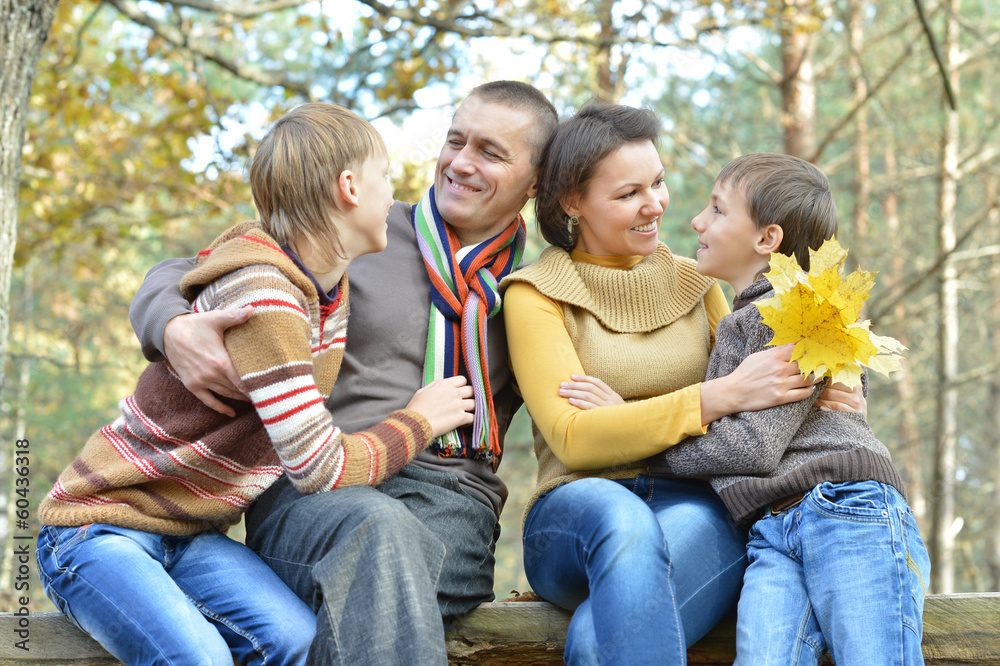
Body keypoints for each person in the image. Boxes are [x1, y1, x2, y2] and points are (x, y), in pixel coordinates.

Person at [126, 81, 559, 664]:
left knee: (382, 557)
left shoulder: (535, 293)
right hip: (315, 494)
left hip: (450, 505)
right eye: (455, 140)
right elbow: (192, 268)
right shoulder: (363, 230)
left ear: (536, 183)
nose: (460, 162)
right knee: (377, 538)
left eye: (490, 152)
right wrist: (172, 326)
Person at [36, 103, 478, 665]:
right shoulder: (264, 293)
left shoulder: (322, 283)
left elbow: (207, 260)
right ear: (349, 187)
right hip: (97, 529)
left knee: (292, 642)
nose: (394, 195)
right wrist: (419, 422)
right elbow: (320, 469)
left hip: (191, 534)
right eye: (385, 176)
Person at [499, 104, 864, 665]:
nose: (656, 205)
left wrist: (843, 393)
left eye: (659, 181)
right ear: (573, 201)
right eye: (628, 194)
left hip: (697, 506)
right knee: (623, 520)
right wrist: (716, 397)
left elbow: (774, 394)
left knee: (597, 642)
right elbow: (576, 439)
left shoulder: (699, 282)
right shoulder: (536, 293)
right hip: (576, 512)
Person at [645, 152, 930, 665]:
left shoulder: (796, 310)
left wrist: (642, 448)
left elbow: (755, 445)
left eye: (717, 209)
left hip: (844, 510)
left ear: (766, 239)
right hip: (772, 529)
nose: (697, 221)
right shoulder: (750, 317)